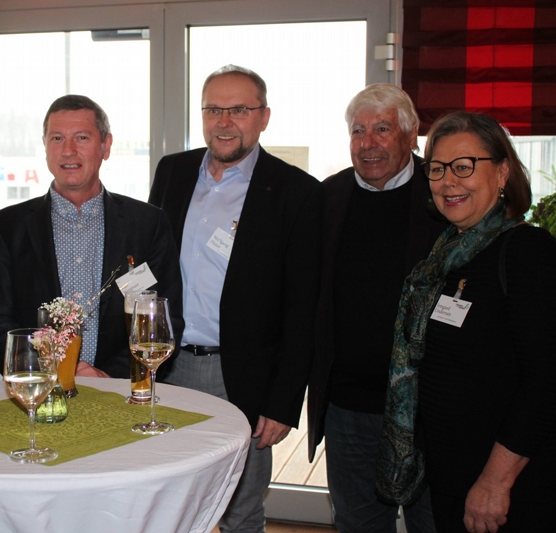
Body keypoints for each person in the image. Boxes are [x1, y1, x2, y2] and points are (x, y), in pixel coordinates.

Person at [148, 65, 321, 533]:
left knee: (241, 511)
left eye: (239, 110)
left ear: (263, 117)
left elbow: (303, 308)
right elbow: (152, 266)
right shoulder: (173, 172)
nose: (224, 122)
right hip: (168, 366)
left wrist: (283, 402)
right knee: (166, 501)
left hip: (241, 377)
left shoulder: (297, 192)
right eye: (213, 110)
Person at [377, 111, 556, 532]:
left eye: (464, 166)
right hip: (451, 475)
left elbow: (546, 381)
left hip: (510, 486)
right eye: (437, 168)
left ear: (503, 173)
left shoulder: (527, 253)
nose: (447, 182)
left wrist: (496, 482)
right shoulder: (444, 257)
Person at [306, 84, 442, 532]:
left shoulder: (443, 195)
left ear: (411, 133)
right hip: (348, 409)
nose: (368, 143)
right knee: (357, 524)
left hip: (429, 409)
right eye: (358, 131)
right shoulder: (327, 198)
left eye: (382, 129)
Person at [0, 94, 183, 378]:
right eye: (57, 139)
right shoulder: (6, 227)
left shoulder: (147, 224)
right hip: (38, 387)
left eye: (82, 138)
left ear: (105, 146)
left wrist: (108, 378)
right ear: (45, 146)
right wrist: (53, 370)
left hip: (120, 389)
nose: (68, 151)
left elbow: (163, 321)